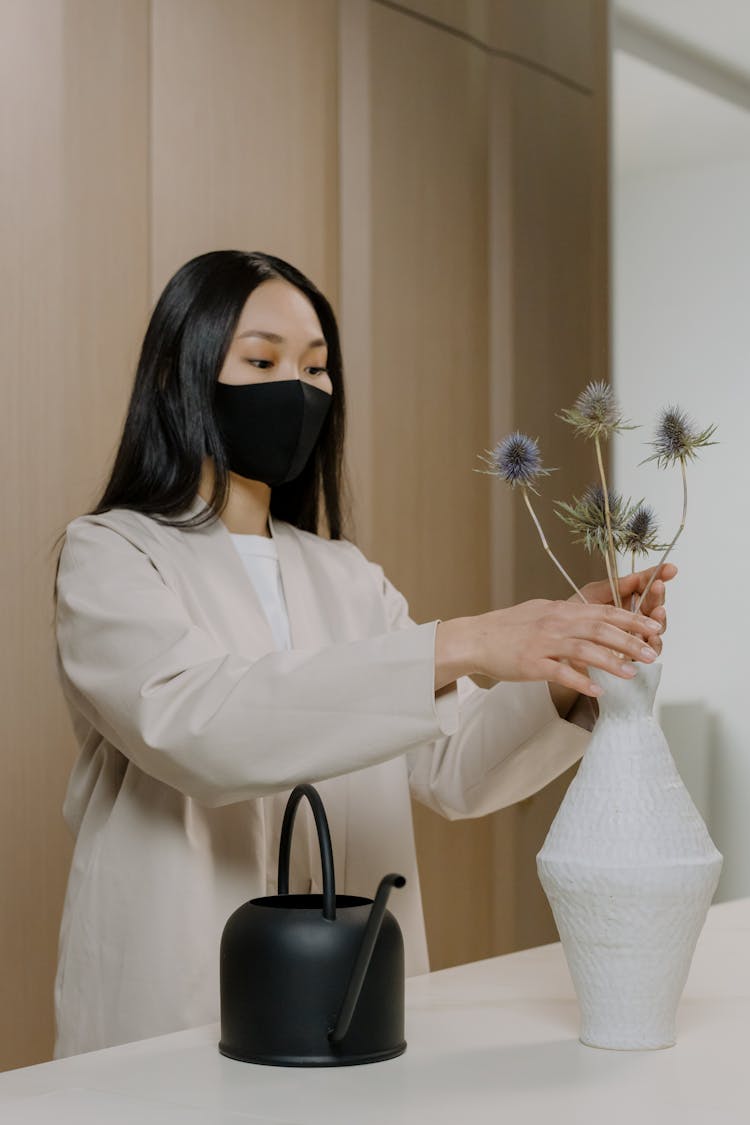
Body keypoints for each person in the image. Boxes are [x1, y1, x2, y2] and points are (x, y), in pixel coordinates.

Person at [50, 250, 673, 1059]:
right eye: (263, 360)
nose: (299, 389)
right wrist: (463, 641)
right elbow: (199, 727)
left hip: (353, 992)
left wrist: (573, 664)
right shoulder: (109, 554)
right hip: (177, 992)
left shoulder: (344, 574)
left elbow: (454, 770)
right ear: (184, 373)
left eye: (317, 368)